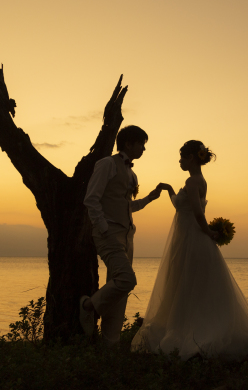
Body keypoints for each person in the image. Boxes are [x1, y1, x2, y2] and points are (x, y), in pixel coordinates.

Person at [131, 140, 248, 360]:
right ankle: (192, 327)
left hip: (193, 239)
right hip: (188, 239)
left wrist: (208, 232)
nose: (179, 161)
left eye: (181, 157)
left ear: (191, 158)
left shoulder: (192, 181)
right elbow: (182, 206)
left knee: (188, 286)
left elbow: (198, 213)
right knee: (189, 287)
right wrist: (169, 190)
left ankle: (193, 333)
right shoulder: (198, 180)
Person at [79, 125, 164, 344]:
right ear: (128, 143)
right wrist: (104, 228)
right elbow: (91, 198)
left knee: (120, 291)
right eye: (141, 144)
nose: (144, 149)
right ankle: (87, 306)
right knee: (127, 280)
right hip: (108, 233)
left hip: (127, 235)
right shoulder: (107, 164)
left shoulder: (132, 173)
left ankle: (111, 344)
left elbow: (126, 206)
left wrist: (149, 199)